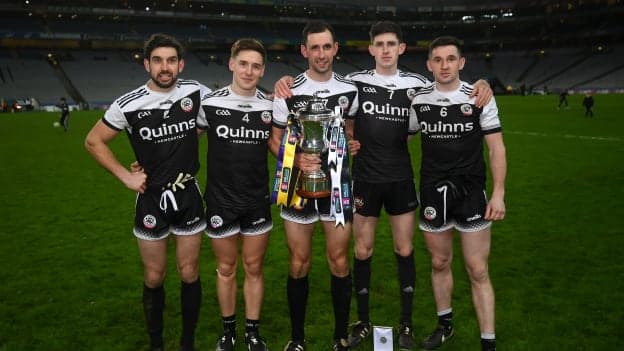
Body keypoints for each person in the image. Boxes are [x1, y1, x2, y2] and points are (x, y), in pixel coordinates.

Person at [84, 33, 207, 351]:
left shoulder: (196, 92)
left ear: (180, 64)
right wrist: (126, 175)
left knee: (190, 271)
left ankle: (188, 342)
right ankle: (156, 344)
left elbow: (220, 113)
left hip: (188, 195)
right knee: (154, 275)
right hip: (151, 197)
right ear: (146, 64)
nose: (164, 67)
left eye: (170, 60)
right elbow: (93, 141)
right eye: (157, 60)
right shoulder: (128, 103)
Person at [409, 36, 506, 351]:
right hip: (433, 192)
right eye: (438, 59)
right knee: (439, 261)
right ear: (429, 65)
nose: (444, 65)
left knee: (478, 269)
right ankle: (445, 325)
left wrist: (499, 193)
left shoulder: (479, 97)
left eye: (451, 59)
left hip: (472, 193)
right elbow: (397, 136)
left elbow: (496, 148)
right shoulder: (418, 100)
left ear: (461, 63)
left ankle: (488, 343)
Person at [268, 20, 358, 351]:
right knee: (298, 262)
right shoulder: (287, 90)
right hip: (296, 187)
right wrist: (293, 160)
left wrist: (351, 142)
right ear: (305, 51)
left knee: (339, 260)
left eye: (327, 47)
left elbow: (350, 131)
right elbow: (274, 138)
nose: (321, 54)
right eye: (314, 48)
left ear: (335, 49)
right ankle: (297, 338)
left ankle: (340, 336)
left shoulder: (351, 90)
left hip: (338, 185)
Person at [200, 38, 273, 351]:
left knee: (254, 268)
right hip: (220, 200)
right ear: (231, 64)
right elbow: (186, 140)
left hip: (256, 199)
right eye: (243, 63)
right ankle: (228, 331)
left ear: (262, 70)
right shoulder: (210, 104)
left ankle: (252, 332)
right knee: (227, 269)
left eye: (256, 66)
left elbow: (278, 146)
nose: (249, 70)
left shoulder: (270, 106)